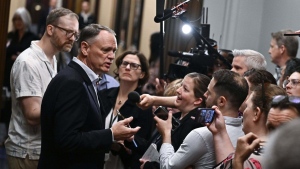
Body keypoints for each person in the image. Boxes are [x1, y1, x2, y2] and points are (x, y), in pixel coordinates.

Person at [38, 24, 140, 169]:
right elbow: (67, 140)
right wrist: (111, 134)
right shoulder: (73, 82)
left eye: (113, 51)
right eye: (105, 50)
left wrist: (112, 139)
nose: (112, 56)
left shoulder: (83, 78)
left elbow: (84, 131)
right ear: (85, 48)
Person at [5, 8, 79, 169]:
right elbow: (32, 115)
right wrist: (69, 107)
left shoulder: (52, 58)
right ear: (50, 29)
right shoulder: (28, 62)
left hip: (42, 149)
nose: (73, 38)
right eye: (68, 32)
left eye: (76, 34)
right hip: (26, 151)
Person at [140, 72, 210, 169]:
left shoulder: (194, 125)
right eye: (181, 86)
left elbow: (175, 164)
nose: (178, 90)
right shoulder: (177, 116)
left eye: (185, 89)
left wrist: (149, 167)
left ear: (198, 100)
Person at [207, 83, 286, 169]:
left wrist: (238, 161)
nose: (243, 112)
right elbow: (229, 165)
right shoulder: (286, 153)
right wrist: (220, 132)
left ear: (256, 113)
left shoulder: (246, 160)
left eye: (247, 106)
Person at [99, 51, 152, 169]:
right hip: (96, 160)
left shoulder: (144, 104)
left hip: (123, 164)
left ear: (142, 74)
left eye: (134, 66)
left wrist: (128, 141)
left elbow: (144, 144)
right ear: (118, 68)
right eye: (125, 63)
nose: (127, 68)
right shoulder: (103, 94)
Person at [2, 7, 39, 134]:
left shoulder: (32, 37)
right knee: (6, 105)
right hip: (8, 73)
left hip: (24, 74)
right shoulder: (10, 36)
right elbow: (5, 52)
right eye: (15, 19)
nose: (18, 22)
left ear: (26, 20)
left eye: (20, 19)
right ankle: (6, 133)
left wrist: (17, 56)